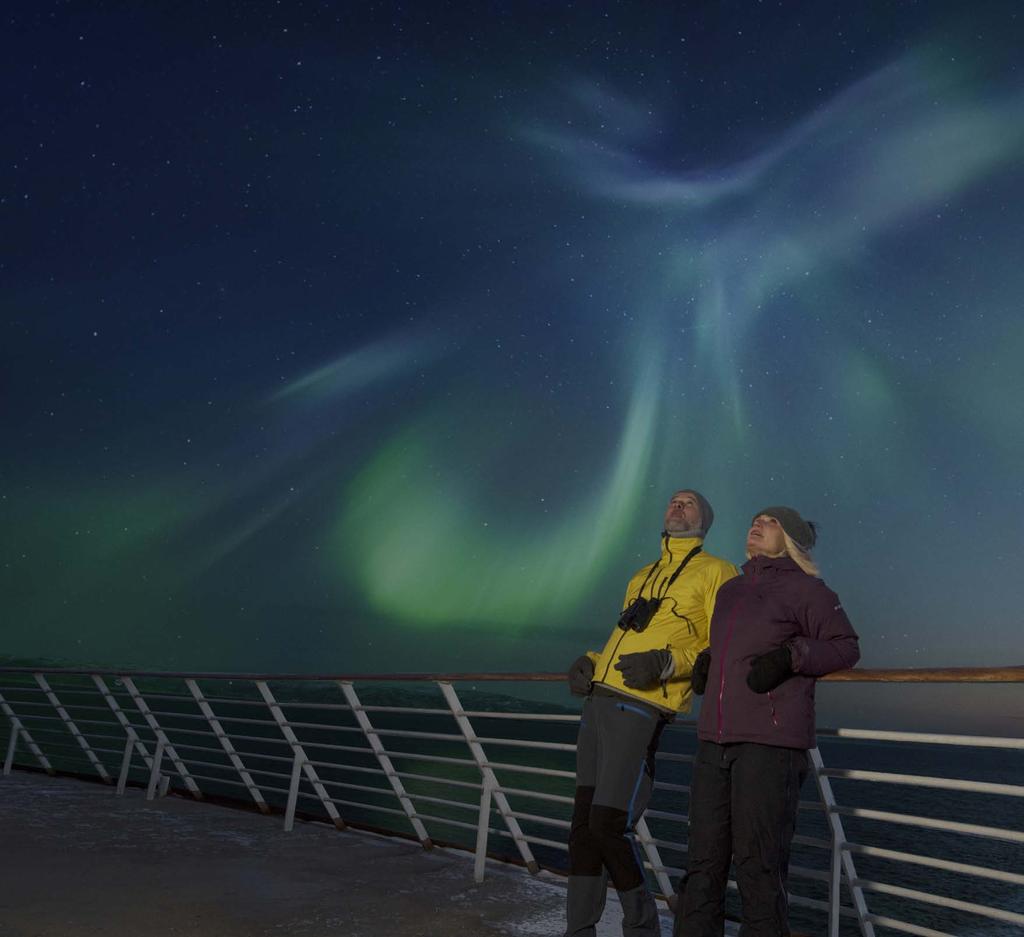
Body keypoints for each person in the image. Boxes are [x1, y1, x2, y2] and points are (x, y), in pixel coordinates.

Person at [674, 507, 861, 937]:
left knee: (759, 870)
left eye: (769, 522)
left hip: (770, 744)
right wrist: (708, 660)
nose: (755, 525)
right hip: (713, 740)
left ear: (791, 538)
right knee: (702, 865)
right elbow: (730, 646)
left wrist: (792, 656)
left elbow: (846, 648)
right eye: (754, 520)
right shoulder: (732, 590)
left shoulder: (809, 590)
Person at [564, 490, 738, 937]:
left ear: (706, 520)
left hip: (642, 706)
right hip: (600, 701)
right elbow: (625, 634)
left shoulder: (717, 571)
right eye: (674, 502)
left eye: (690, 503)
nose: (678, 506)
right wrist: (590, 661)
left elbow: (721, 644)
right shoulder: (643, 574)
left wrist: (666, 663)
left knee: (608, 825)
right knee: (583, 827)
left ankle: (642, 927)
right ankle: (578, 930)